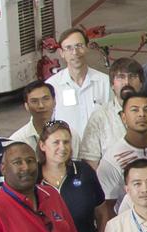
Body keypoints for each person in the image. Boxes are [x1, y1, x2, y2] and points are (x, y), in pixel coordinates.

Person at [48, 27, 113, 156]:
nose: (75, 52)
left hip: (100, 155)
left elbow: (112, 121)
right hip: (67, 155)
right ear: (61, 52)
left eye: (79, 46)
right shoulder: (52, 86)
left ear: (87, 47)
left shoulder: (104, 82)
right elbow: (48, 125)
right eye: (69, 48)